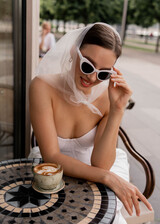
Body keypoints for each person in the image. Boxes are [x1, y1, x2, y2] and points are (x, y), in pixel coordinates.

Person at [29, 23, 152, 223]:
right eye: (87, 65)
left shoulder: (107, 98)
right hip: (55, 172)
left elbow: (102, 163)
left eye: (104, 73)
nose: (92, 77)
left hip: (97, 170)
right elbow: (51, 156)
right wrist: (107, 177)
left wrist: (117, 109)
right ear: (73, 51)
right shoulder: (42, 87)